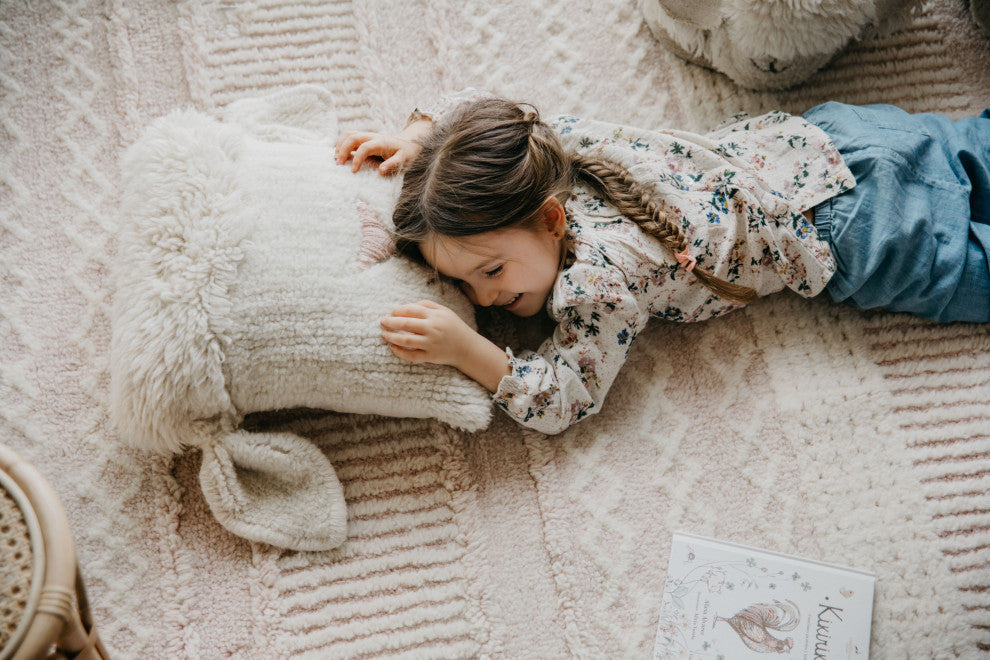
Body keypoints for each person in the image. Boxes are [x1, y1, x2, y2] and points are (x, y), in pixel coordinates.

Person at [334, 90, 990, 434]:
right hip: (823, 138)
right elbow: (480, 117)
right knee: (974, 147)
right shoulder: (553, 143)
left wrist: (468, 351)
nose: (480, 300)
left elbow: (565, 398)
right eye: (463, 283)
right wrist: (424, 147)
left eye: (491, 272)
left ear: (552, 220)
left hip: (853, 235)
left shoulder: (594, 285)